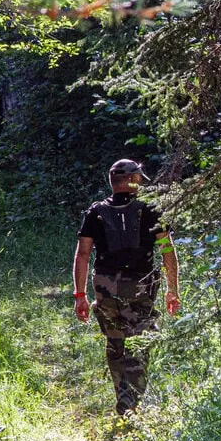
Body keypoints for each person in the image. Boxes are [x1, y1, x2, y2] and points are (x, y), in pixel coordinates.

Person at [72, 159, 181, 415]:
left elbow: (83, 255)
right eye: (139, 176)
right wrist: (172, 289)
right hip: (140, 286)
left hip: (105, 287)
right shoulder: (150, 209)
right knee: (139, 344)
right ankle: (131, 405)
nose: (142, 180)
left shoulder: (95, 212)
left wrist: (80, 295)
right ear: (131, 179)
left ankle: (124, 399)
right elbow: (167, 250)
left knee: (115, 343)